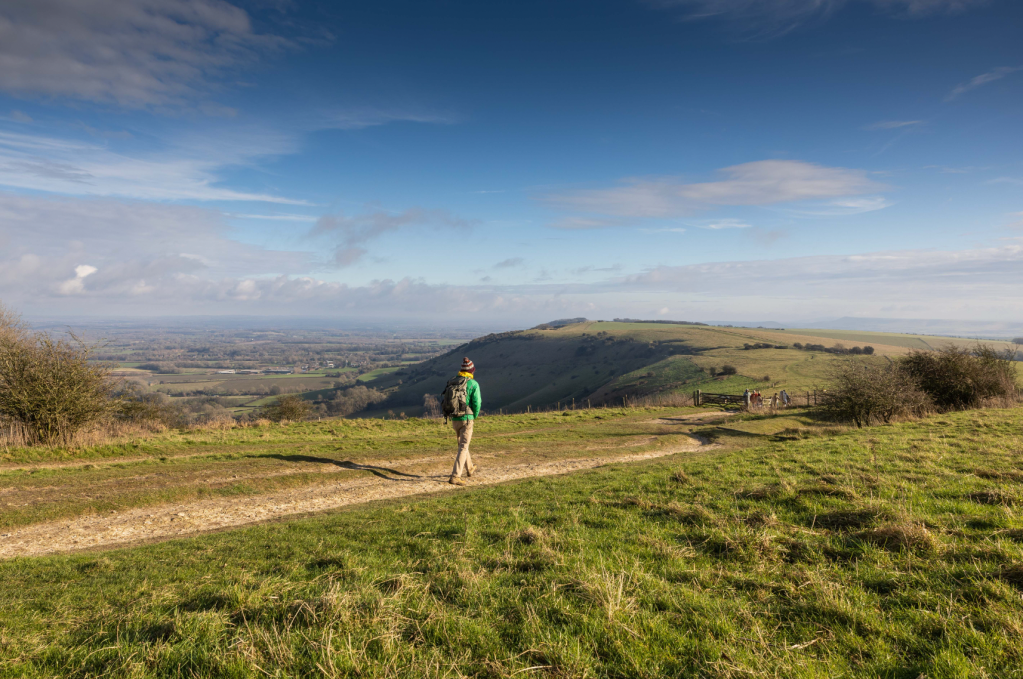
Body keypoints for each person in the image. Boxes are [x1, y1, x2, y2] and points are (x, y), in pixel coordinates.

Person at [443, 357, 482, 486]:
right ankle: (455, 476)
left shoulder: (454, 381)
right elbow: (477, 403)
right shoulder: (473, 383)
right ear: (471, 371)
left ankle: (470, 468)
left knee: (463, 445)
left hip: (454, 418)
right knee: (464, 447)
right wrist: (474, 416)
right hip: (467, 419)